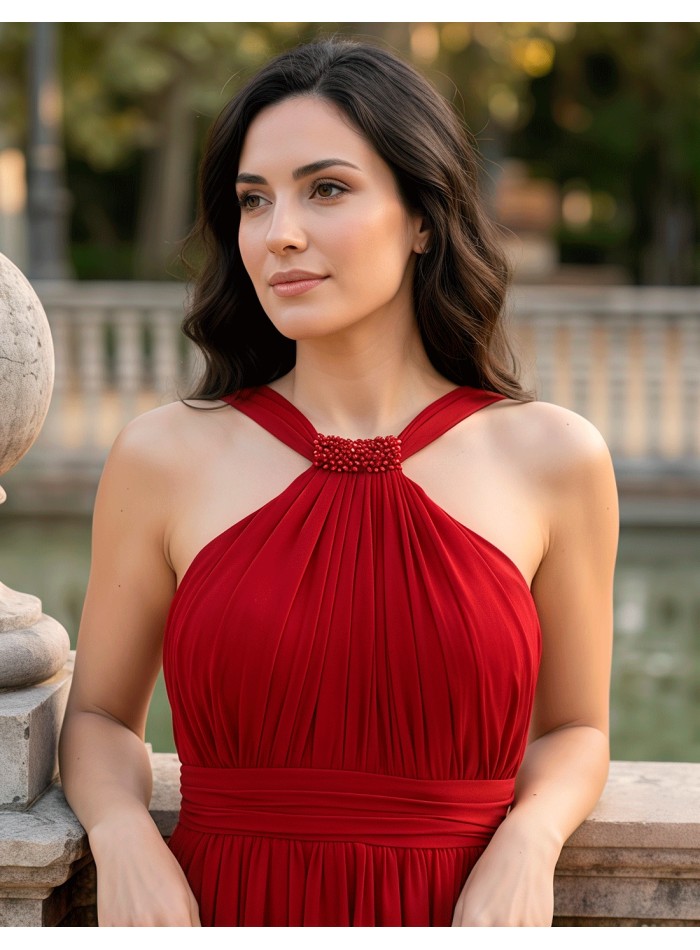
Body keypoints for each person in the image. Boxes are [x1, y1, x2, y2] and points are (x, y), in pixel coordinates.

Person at [58, 37, 618, 927]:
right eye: (254, 199)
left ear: (423, 217)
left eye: (326, 189)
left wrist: (532, 838)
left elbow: (578, 729)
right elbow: (96, 717)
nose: (279, 232)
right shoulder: (162, 456)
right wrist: (123, 832)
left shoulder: (556, 458)